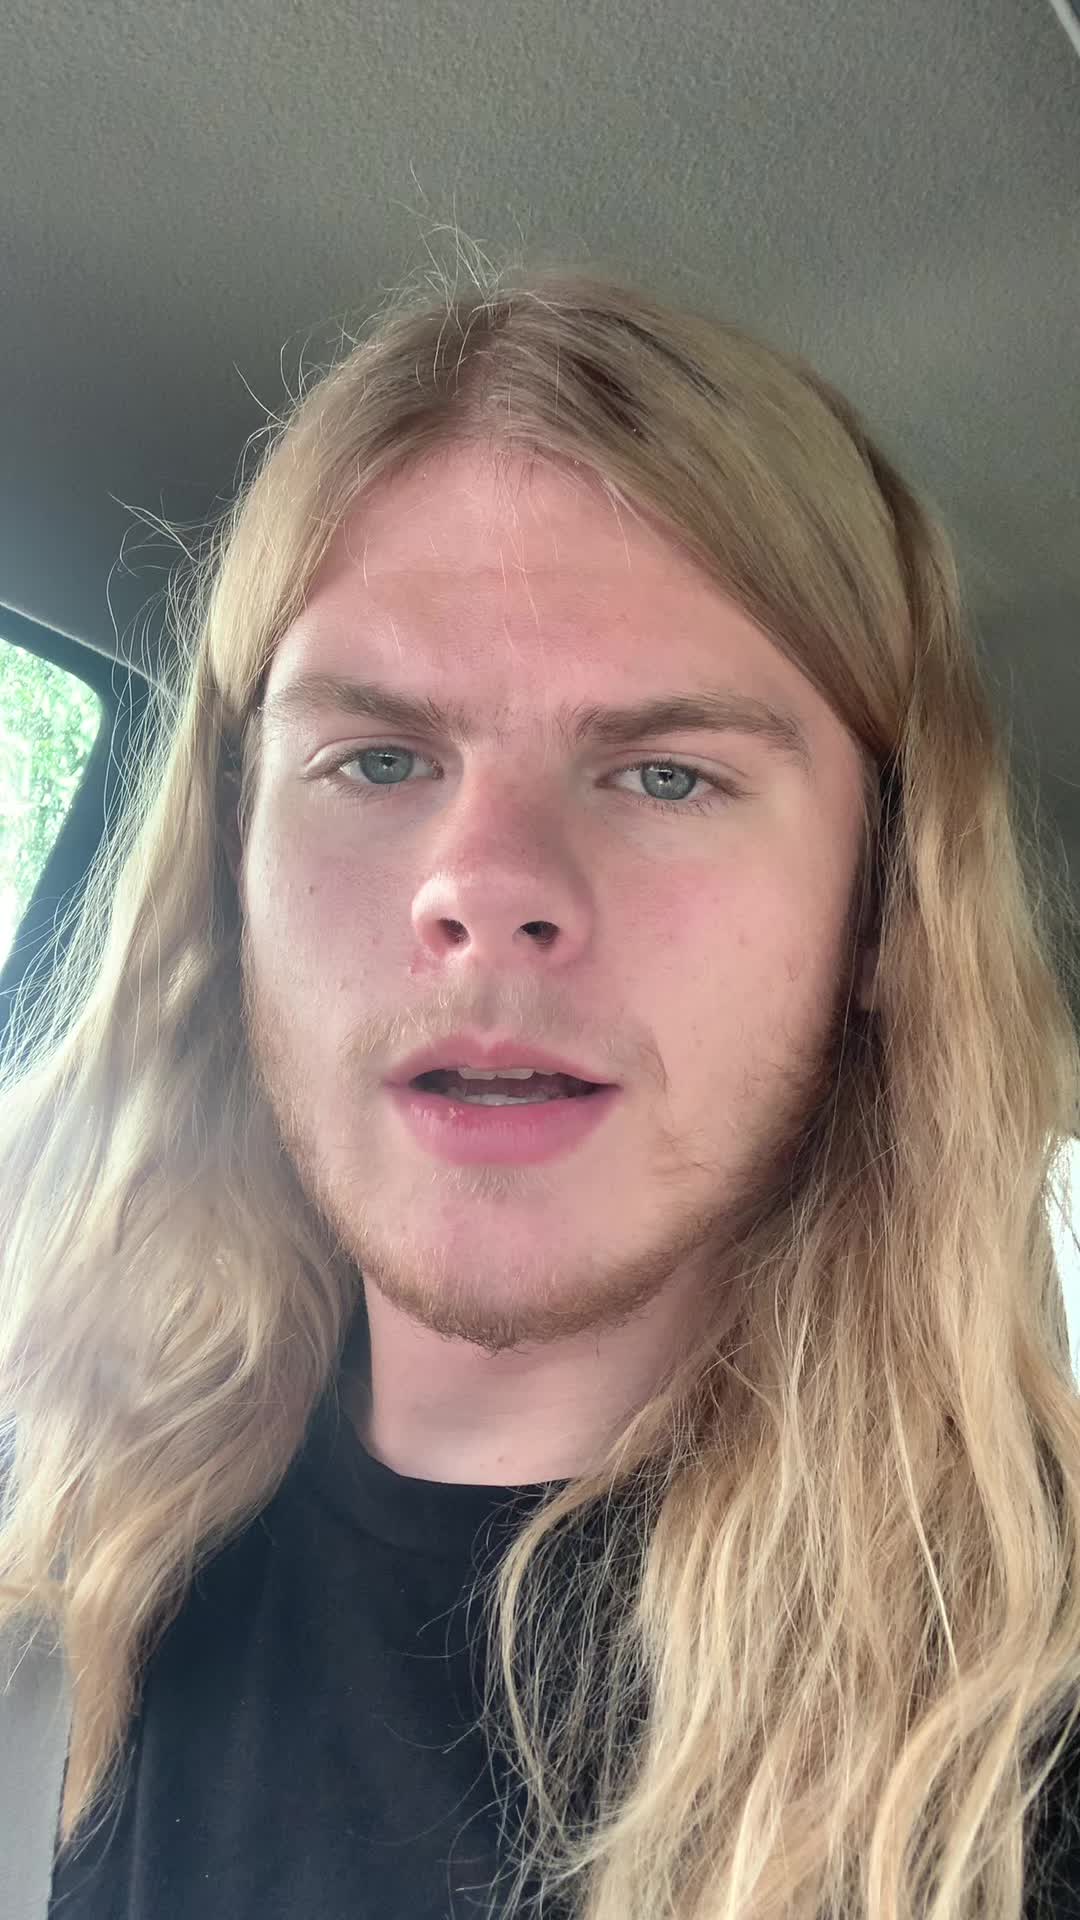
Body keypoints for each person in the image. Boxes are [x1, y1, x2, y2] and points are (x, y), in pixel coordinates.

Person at [1, 258, 1079, 1920]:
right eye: (377, 760)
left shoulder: (1025, 1726)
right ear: (231, 868)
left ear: (884, 911)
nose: (486, 887)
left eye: (667, 775)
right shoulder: (53, 1561)